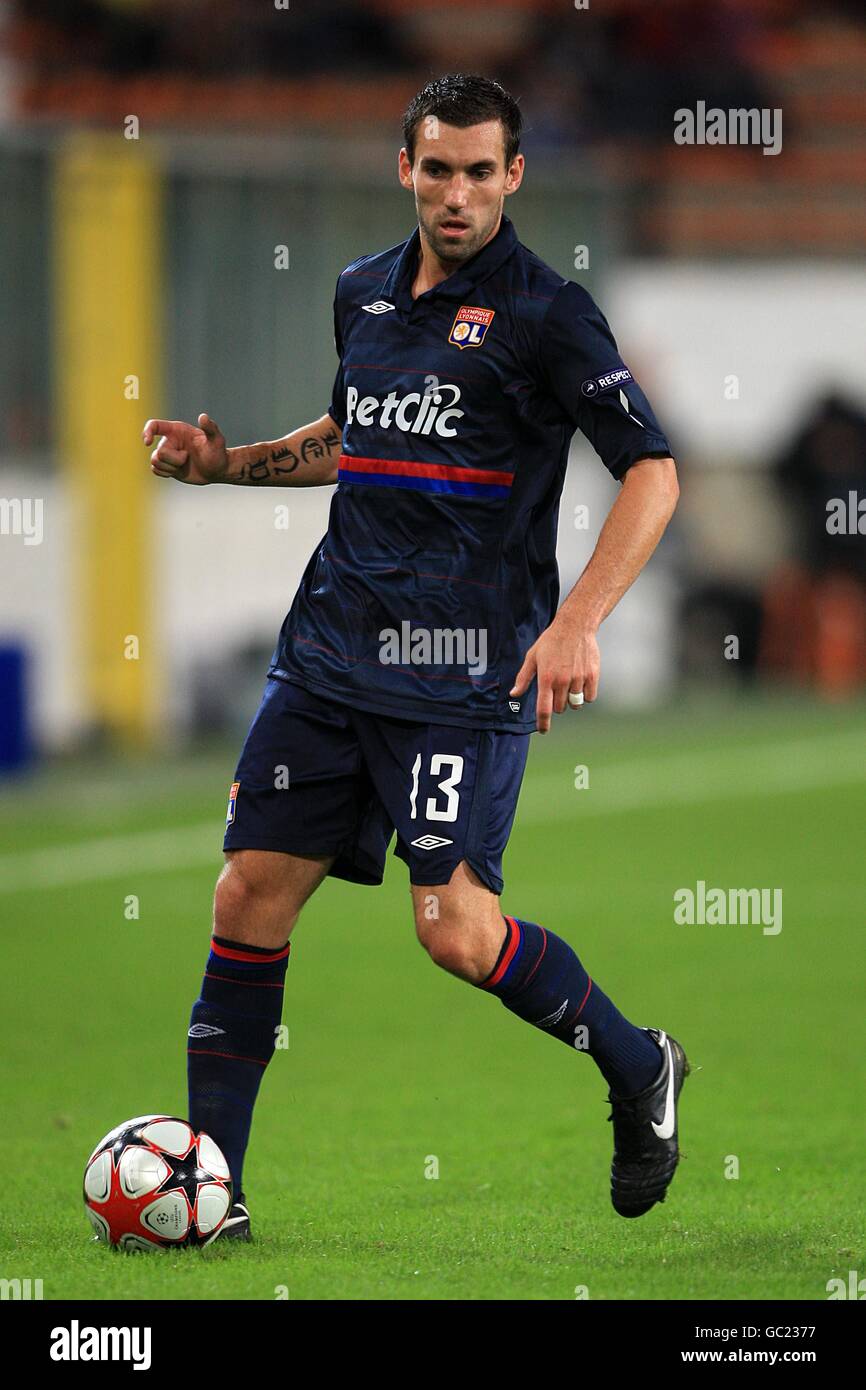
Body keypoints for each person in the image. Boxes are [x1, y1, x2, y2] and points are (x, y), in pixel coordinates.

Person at [142, 73, 685, 1239]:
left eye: (479, 172)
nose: (456, 193)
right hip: (328, 650)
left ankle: (638, 1064)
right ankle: (210, 1195)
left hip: (460, 671)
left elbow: (652, 470)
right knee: (246, 896)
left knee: (454, 930)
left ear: (513, 177)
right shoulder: (362, 295)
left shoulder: (547, 313)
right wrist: (225, 462)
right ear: (405, 168)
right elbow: (353, 433)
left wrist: (577, 617)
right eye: (436, 168)